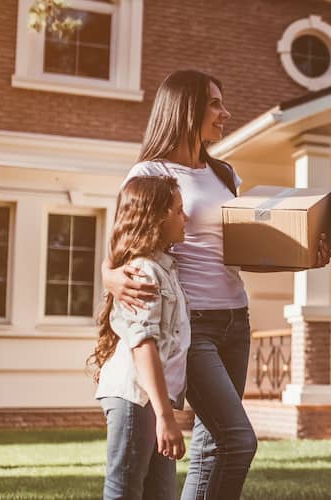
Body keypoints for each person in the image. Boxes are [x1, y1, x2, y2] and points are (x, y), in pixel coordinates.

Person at [103, 70, 331, 500]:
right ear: (185, 108)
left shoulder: (224, 174)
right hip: (192, 326)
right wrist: (108, 275)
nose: (225, 113)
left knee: (213, 446)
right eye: (214, 104)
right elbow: (123, 243)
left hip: (235, 323)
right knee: (237, 440)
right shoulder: (149, 173)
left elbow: (238, 253)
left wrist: (301, 261)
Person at [90, 175, 190, 500]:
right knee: (124, 492)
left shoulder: (163, 268)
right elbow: (142, 344)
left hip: (151, 399)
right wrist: (166, 417)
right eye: (178, 210)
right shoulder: (144, 273)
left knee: (160, 494)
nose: (185, 217)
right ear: (157, 217)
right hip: (136, 398)